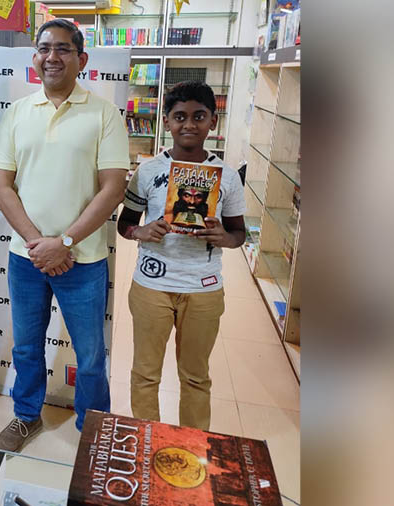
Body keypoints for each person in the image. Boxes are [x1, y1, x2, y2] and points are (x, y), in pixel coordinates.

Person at [0, 19, 129, 452]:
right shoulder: (17, 113)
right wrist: (39, 244)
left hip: (82, 260)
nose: (52, 56)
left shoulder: (104, 114)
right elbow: (0, 185)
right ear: (35, 57)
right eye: (44, 48)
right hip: (26, 259)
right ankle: (26, 416)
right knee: (27, 347)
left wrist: (63, 243)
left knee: (89, 358)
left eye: (63, 49)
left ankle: (93, 425)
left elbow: (113, 187)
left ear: (81, 59)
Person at [117, 81, 246, 429]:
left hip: (203, 289)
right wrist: (141, 231)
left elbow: (239, 233)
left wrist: (224, 237)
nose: (189, 124)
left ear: (213, 122)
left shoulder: (228, 177)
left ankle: (193, 443)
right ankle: (148, 439)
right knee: (145, 373)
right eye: (180, 117)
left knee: (195, 376)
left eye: (199, 116)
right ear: (167, 121)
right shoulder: (146, 171)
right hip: (151, 286)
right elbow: (125, 223)